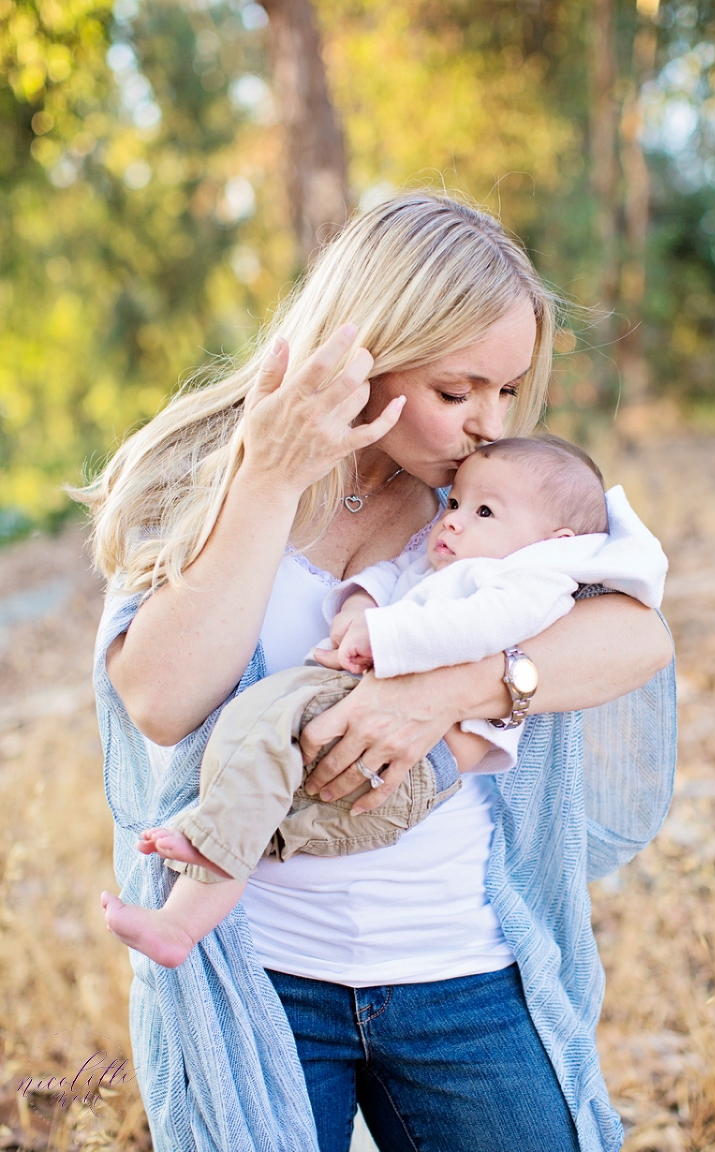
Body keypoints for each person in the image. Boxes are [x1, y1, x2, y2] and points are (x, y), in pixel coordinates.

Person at [84, 192, 676, 1152]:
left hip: (465, 971)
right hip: (261, 973)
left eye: (507, 392)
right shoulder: (202, 468)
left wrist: (443, 692)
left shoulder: (495, 493)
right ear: (371, 345)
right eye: (458, 391)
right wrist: (270, 480)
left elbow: (638, 637)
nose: (488, 423)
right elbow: (159, 699)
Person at [99, 435, 668, 972]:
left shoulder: (530, 581)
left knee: (266, 743)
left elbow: (478, 627)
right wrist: (358, 606)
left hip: (420, 765)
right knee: (261, 747)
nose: (453, 518)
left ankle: (214, 852)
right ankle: (186, 912)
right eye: (458, 502)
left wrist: (384, 638)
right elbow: (395, 574)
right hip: (365, 732)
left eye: (484, 513)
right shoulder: (452, 562)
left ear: (554, 542)